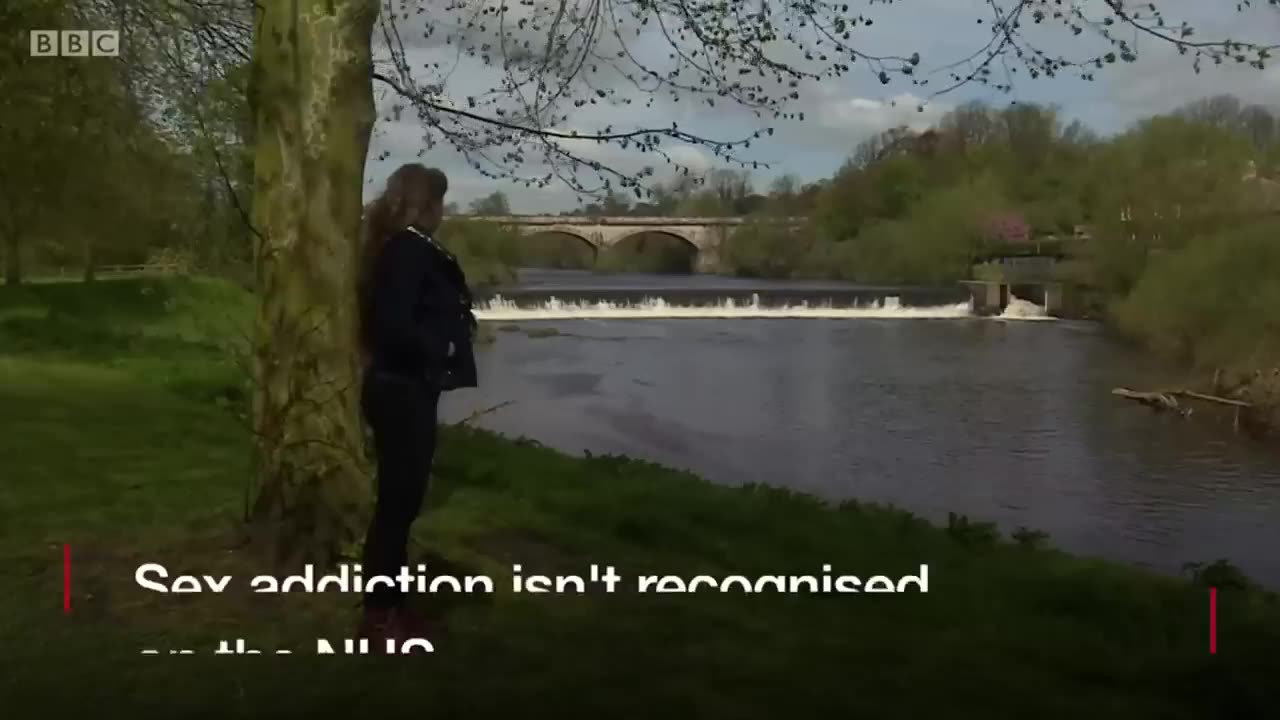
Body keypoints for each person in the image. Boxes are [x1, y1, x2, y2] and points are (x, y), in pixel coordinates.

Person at [355, 163, 478, 643]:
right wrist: (441, 348)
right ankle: (380, 616)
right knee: (397, 507)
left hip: (400, 388)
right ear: (426, 204)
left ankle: (389, 608)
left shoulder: (399, 248)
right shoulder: (407, 251)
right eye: (440, 202)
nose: (444, 212)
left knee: (400, 506)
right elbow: (395, 327)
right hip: (400, 391)